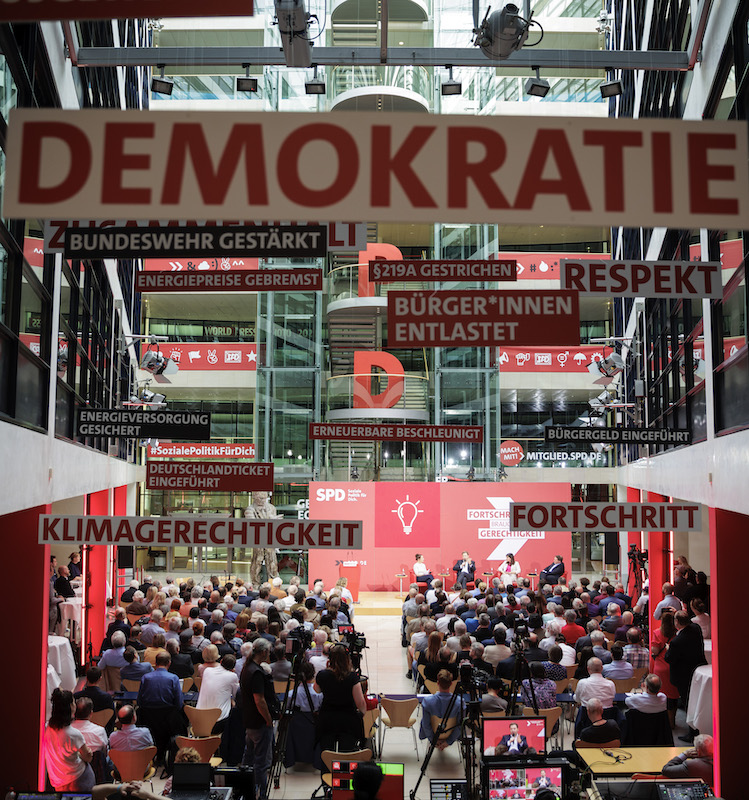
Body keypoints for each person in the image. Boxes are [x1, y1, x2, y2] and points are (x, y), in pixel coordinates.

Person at [240, 637, 278, 799]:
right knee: (261, 763)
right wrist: (268, 719)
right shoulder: (256, 672)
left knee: (248, 759)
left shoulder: (247, 667)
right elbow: (259, 700)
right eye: (268, 652)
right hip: (259, 721)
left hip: (249, 719)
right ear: (263, 652)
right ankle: (262, 795)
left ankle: (244, 790)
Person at [314, 643, 367, 751]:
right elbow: (360, 702)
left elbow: (316, 689)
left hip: (327, 719)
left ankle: (326, 768)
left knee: (327, 753)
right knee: (346, 754)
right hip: (347, 720)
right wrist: (362, 713)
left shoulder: (322, 675)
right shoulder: (352, 677)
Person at [136, 651, 185, 764]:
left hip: (148, 719)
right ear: (169, 663)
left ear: (155, 663)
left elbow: (140, 701)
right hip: (169, 720)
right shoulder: (173, 678)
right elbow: (178, 703)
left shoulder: (146, 678)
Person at [42, 688, 95, 791]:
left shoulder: (46, 728)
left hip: (56, 781)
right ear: (71, 707)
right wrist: (83, 754)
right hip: (78, 779)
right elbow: (88, 757)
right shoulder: (74, 734)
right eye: (74, 702)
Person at [419, 669, 465, 748]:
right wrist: (448, 741)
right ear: (451, 684)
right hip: (451, 734)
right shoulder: (460, 702)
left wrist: (433, 740)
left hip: (434, 733)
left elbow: (426, 725)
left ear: (437, 683)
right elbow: (460, 725)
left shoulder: (427, 702)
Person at [244, 491, 282, 585]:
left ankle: (274, 583)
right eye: (260, 498)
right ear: (254, 497)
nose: (263, 500)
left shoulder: (271, 508)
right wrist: (270, 520)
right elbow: (253, 525)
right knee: (257, 562)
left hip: (269, 539)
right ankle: (255, 583)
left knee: (272, 562)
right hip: (258, 540)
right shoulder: (250, 509)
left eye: (264, 498)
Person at [198, 653, 239, 732]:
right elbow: (235, 695)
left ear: (220, 661)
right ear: (233, 668)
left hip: (199, 719)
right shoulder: (232, 676)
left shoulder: (207, 670)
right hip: (218, 722)